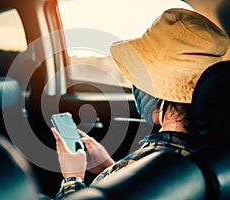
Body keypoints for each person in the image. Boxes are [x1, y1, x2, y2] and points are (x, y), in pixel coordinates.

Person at [51, 8, 230, 199]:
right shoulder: (216, 156)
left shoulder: (152, 157)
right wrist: (108, 166)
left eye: (142, 79)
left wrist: (73, 176)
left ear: (159, 97)